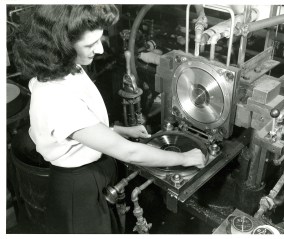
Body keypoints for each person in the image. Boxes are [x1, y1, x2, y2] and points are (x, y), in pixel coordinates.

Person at [13, 5, 207, 234]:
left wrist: (122, 130)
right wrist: (184, 157)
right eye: (90, 44)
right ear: (61, 46)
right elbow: (128, 153)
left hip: (92, 174)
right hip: (79, 189)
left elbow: (81, 126)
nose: (101, 48)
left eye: (99, 39)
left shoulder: (63, 67)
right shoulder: (54, 96)